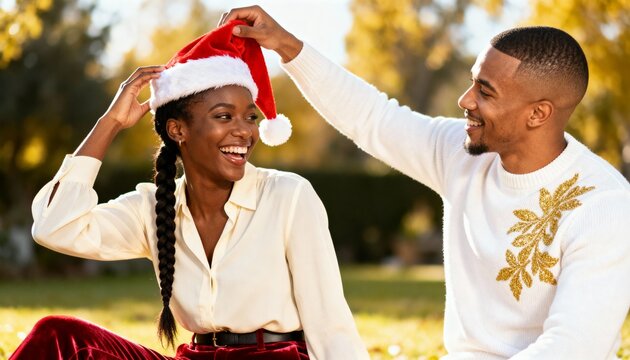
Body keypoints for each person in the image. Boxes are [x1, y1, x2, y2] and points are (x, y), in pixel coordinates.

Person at [220, 6, 630, 360]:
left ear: (538, 113)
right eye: (473, 81)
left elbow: (573, 348)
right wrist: (285, 45)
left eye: (485, 91)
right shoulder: (462, 154)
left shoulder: (604, 205)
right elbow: (373, 119)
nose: (465, 100)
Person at [10, 20, 369, 360]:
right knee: (57, 335)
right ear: (178, 130)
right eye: (224, 116)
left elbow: (329, 321)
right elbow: (53, 226)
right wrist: (111, 124)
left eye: (250, 116)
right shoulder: (152, 206)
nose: (245, 131)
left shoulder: (289, 195)